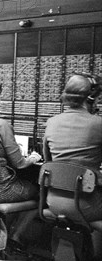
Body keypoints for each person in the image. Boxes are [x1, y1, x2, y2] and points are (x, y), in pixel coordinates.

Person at [44, 73, 102, 222]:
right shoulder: (98, 124)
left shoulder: (51, 122)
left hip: (53, 202)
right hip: (87, 205)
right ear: (91, 98)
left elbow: (48, 162)